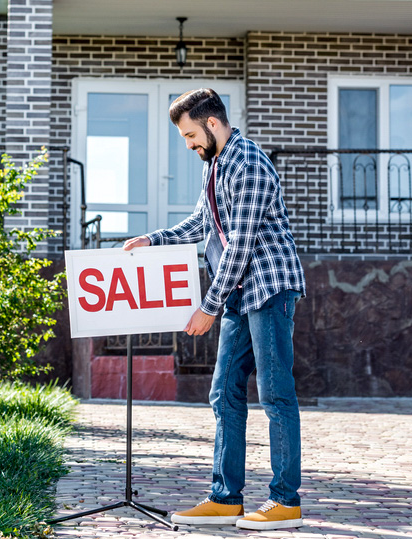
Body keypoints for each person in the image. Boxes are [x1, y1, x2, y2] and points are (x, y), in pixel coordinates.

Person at [123, 88, 306, 530]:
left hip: (269, 287)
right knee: (224, 392)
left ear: (211, 123)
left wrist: (209, 306)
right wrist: (154, 239)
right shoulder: (217, 165)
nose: (188, 145)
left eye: (189, 135)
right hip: (241, 293)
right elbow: (203, 223)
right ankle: (226, 499)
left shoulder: (247, 163)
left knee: (276, 394)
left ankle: (286, 502)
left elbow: (240, 245)